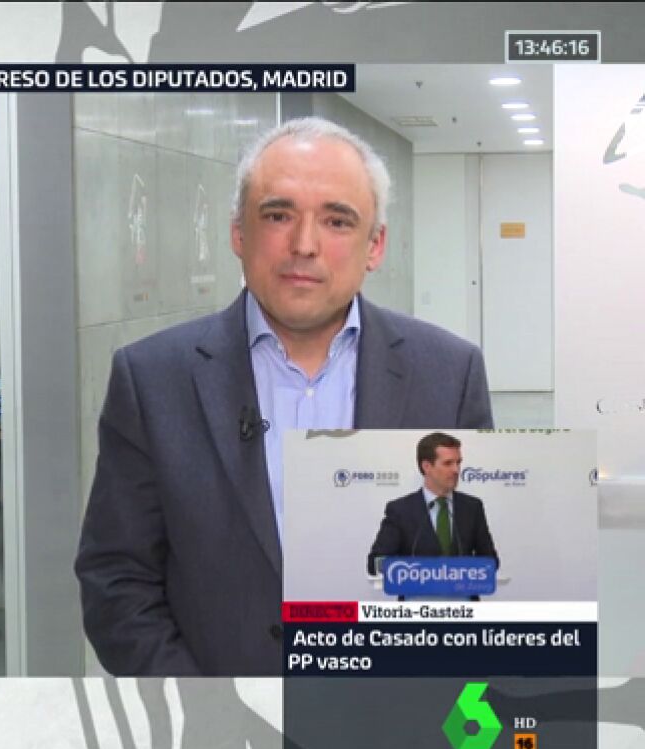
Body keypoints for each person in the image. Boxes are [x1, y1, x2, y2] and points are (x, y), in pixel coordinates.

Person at [74, 116, 493, 676]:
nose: (304, 245)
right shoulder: (152, 380)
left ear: (375, 245)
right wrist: (210, 710)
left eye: (337, 220)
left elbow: (475, 567)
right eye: (278, 215)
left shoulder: (449, 373)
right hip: (216, 716)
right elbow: (117, 581)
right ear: (238, 234)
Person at [367, 432, 498, 572]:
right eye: (448, 463)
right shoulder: (400, 510)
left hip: (462, 586)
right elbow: (375, 563)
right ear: (427, 466)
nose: (456, 470)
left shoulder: (472, 507)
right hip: (416, 586)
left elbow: (491, 561)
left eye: (458, 462)